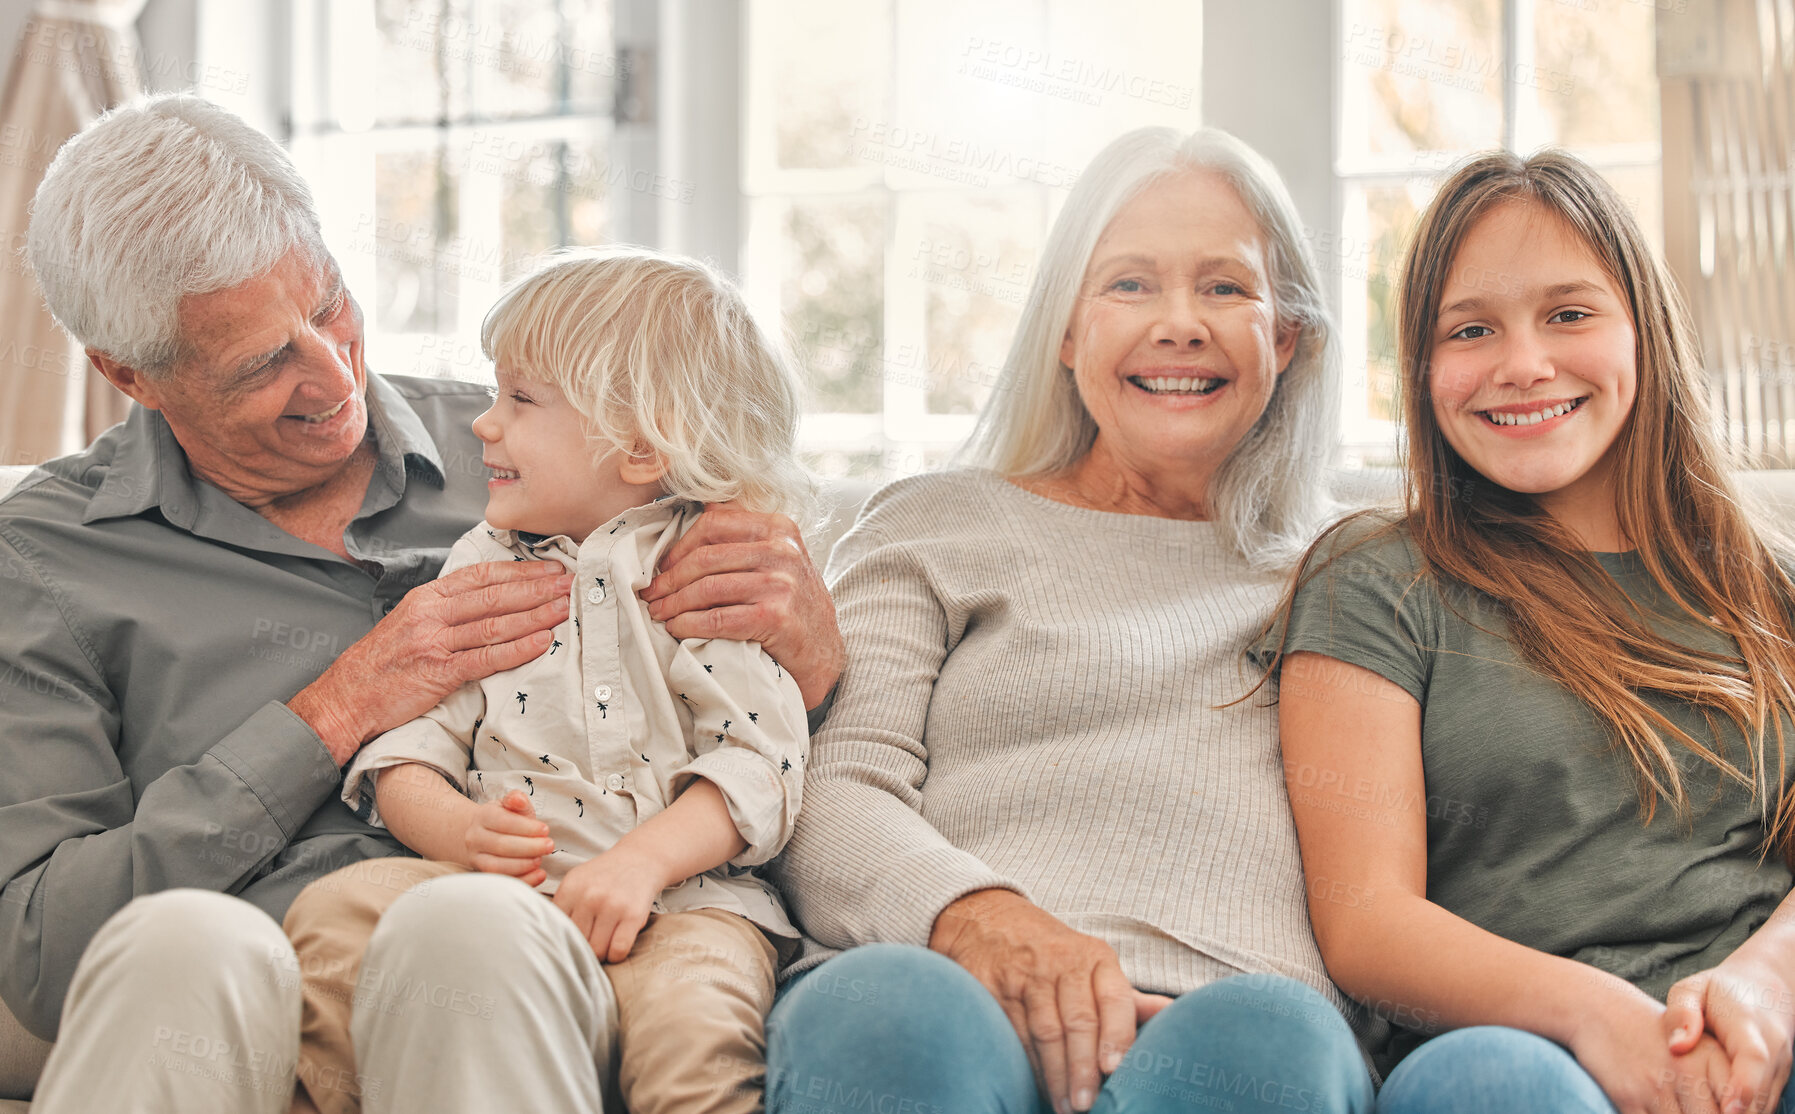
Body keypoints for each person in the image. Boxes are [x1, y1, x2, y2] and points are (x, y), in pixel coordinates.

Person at [0, 94, 842, 1114]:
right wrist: (329, 714)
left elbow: (754, 728)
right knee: (187, 941)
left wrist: (811, 647)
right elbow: (43, 949)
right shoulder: (46, 554)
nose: (331, 373)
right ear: (129, 374)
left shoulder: (557, 446)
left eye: (328, 306)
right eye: (264, 362)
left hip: (537, 958)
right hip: (237, 997)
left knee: (467, 933)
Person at [763, 126, 1378, 1114]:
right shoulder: (934, 522)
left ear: (1286, 337)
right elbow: (829, 795)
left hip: (1231, 1016)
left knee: (1266, 1037)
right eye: (1129, 284)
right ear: (1064, 328)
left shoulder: (1363, 565)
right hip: (949, 983)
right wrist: (983, 918)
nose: (1180, 323)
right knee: (887, 1010)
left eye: (1225, 287)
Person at [1260, 148, 1795, 1114]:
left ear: (1645, 331)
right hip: (1511, 1056)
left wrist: (1763, 991)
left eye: (1569, 313)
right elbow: (1365, 919)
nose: (1522, 365)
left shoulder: (1770, 586)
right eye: (1470, 329)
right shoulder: (1376, 580)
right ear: (1423, 373)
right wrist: (1601, 1017)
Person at [285, 248, 811, 1114]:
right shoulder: (480, 565)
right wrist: (459, 831)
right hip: (490, 898)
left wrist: (640, 865)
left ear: (642, 445)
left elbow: (758, 764)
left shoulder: (713, 565)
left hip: (681, 905)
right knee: (336, 917)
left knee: (694, 1029)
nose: (483, 426)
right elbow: (407, 751)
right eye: (495, 396)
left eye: (520, 401)